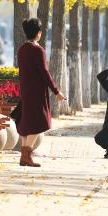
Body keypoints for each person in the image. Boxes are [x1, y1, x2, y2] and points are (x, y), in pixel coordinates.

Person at [14, 17, 66, 167]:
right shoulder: (38, 50)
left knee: (27, 123)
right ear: (38, 33)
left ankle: (25, 157)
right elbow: (45, 73)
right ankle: (26, 155)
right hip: (37, 92)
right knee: (39, 123)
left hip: (26, 90)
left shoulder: (22, 49)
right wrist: (57, 91)